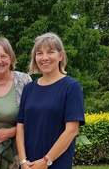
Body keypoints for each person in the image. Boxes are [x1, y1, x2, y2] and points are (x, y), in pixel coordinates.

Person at [16, 32, 85, 169]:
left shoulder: (71, 87)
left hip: (56, 164)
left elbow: (71, 130)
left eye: (50, 52)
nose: (44, 58)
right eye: (39, 53)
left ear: (60, 56)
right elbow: (20, 127)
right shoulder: (29, 88)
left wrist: (46, 161)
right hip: (29, 165)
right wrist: (23, 160)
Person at [0, 37, 32, 169]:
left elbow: (34, 117)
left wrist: (12, 132)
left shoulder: (24, 81)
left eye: (4, 56)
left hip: (12, 152)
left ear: (11, 59)